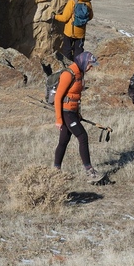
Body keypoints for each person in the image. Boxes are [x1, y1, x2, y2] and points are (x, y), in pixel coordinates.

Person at [53, 51, 101, 183]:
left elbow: (77, 97)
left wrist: (78, 113)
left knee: (63, 141)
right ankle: (90, 172)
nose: (91, 68)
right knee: (82, 136)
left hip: (73, 112)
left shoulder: (80, 73)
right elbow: (58, 98)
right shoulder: (68, 74)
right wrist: (58, 120)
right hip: (66, 112)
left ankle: (55, 171)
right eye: (90, 65)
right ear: (84, 62)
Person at [54, 0, 93, 64]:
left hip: (70, 32)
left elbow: (64, 18)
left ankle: (67, 67)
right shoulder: (88, 3)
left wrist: (55, 16)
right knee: (78, 51)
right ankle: (77, 67)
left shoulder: (72, 2)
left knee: (67, 50)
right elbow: (90, 16)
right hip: (81, 33)